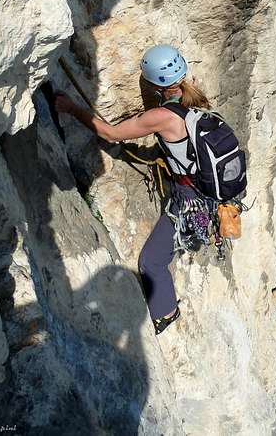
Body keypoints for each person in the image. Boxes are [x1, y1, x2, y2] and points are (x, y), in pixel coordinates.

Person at [55, 45, 211, 335]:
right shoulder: (197, 98)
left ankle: (166, 312)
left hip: (190, 201)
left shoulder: (162, 117)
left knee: (151, 261)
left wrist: (71, 108)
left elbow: (111, 134)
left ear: (154, 83)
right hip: (210, 195)